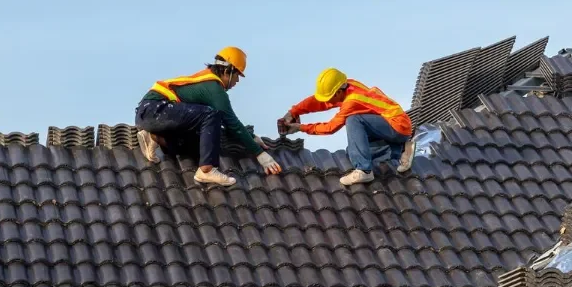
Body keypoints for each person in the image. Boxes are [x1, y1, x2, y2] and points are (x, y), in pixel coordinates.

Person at [134, 46, 282, 188]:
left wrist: (250, 137)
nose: (237, 82)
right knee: (211, 114)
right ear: (228, 70)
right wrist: (261, 155)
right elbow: (231, 122)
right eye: (237, 76)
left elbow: (221, 126)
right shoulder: (213, 88)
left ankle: (154, 137)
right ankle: (206, 170)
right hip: (155, 109)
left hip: (152, 115)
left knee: (202, 142)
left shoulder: (208, 81)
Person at [282, 68, 415, 186]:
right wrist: (294, 111)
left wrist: (300, 128)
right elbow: (318, 102)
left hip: (397, 125)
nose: (327, 101)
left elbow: (330, 128)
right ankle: (401, 149)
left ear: (339, 91)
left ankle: (364, 171)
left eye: (329, 97)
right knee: (353, 152)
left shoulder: (352, 101)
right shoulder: (348, 85)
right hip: (385, 124)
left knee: (353, 120)